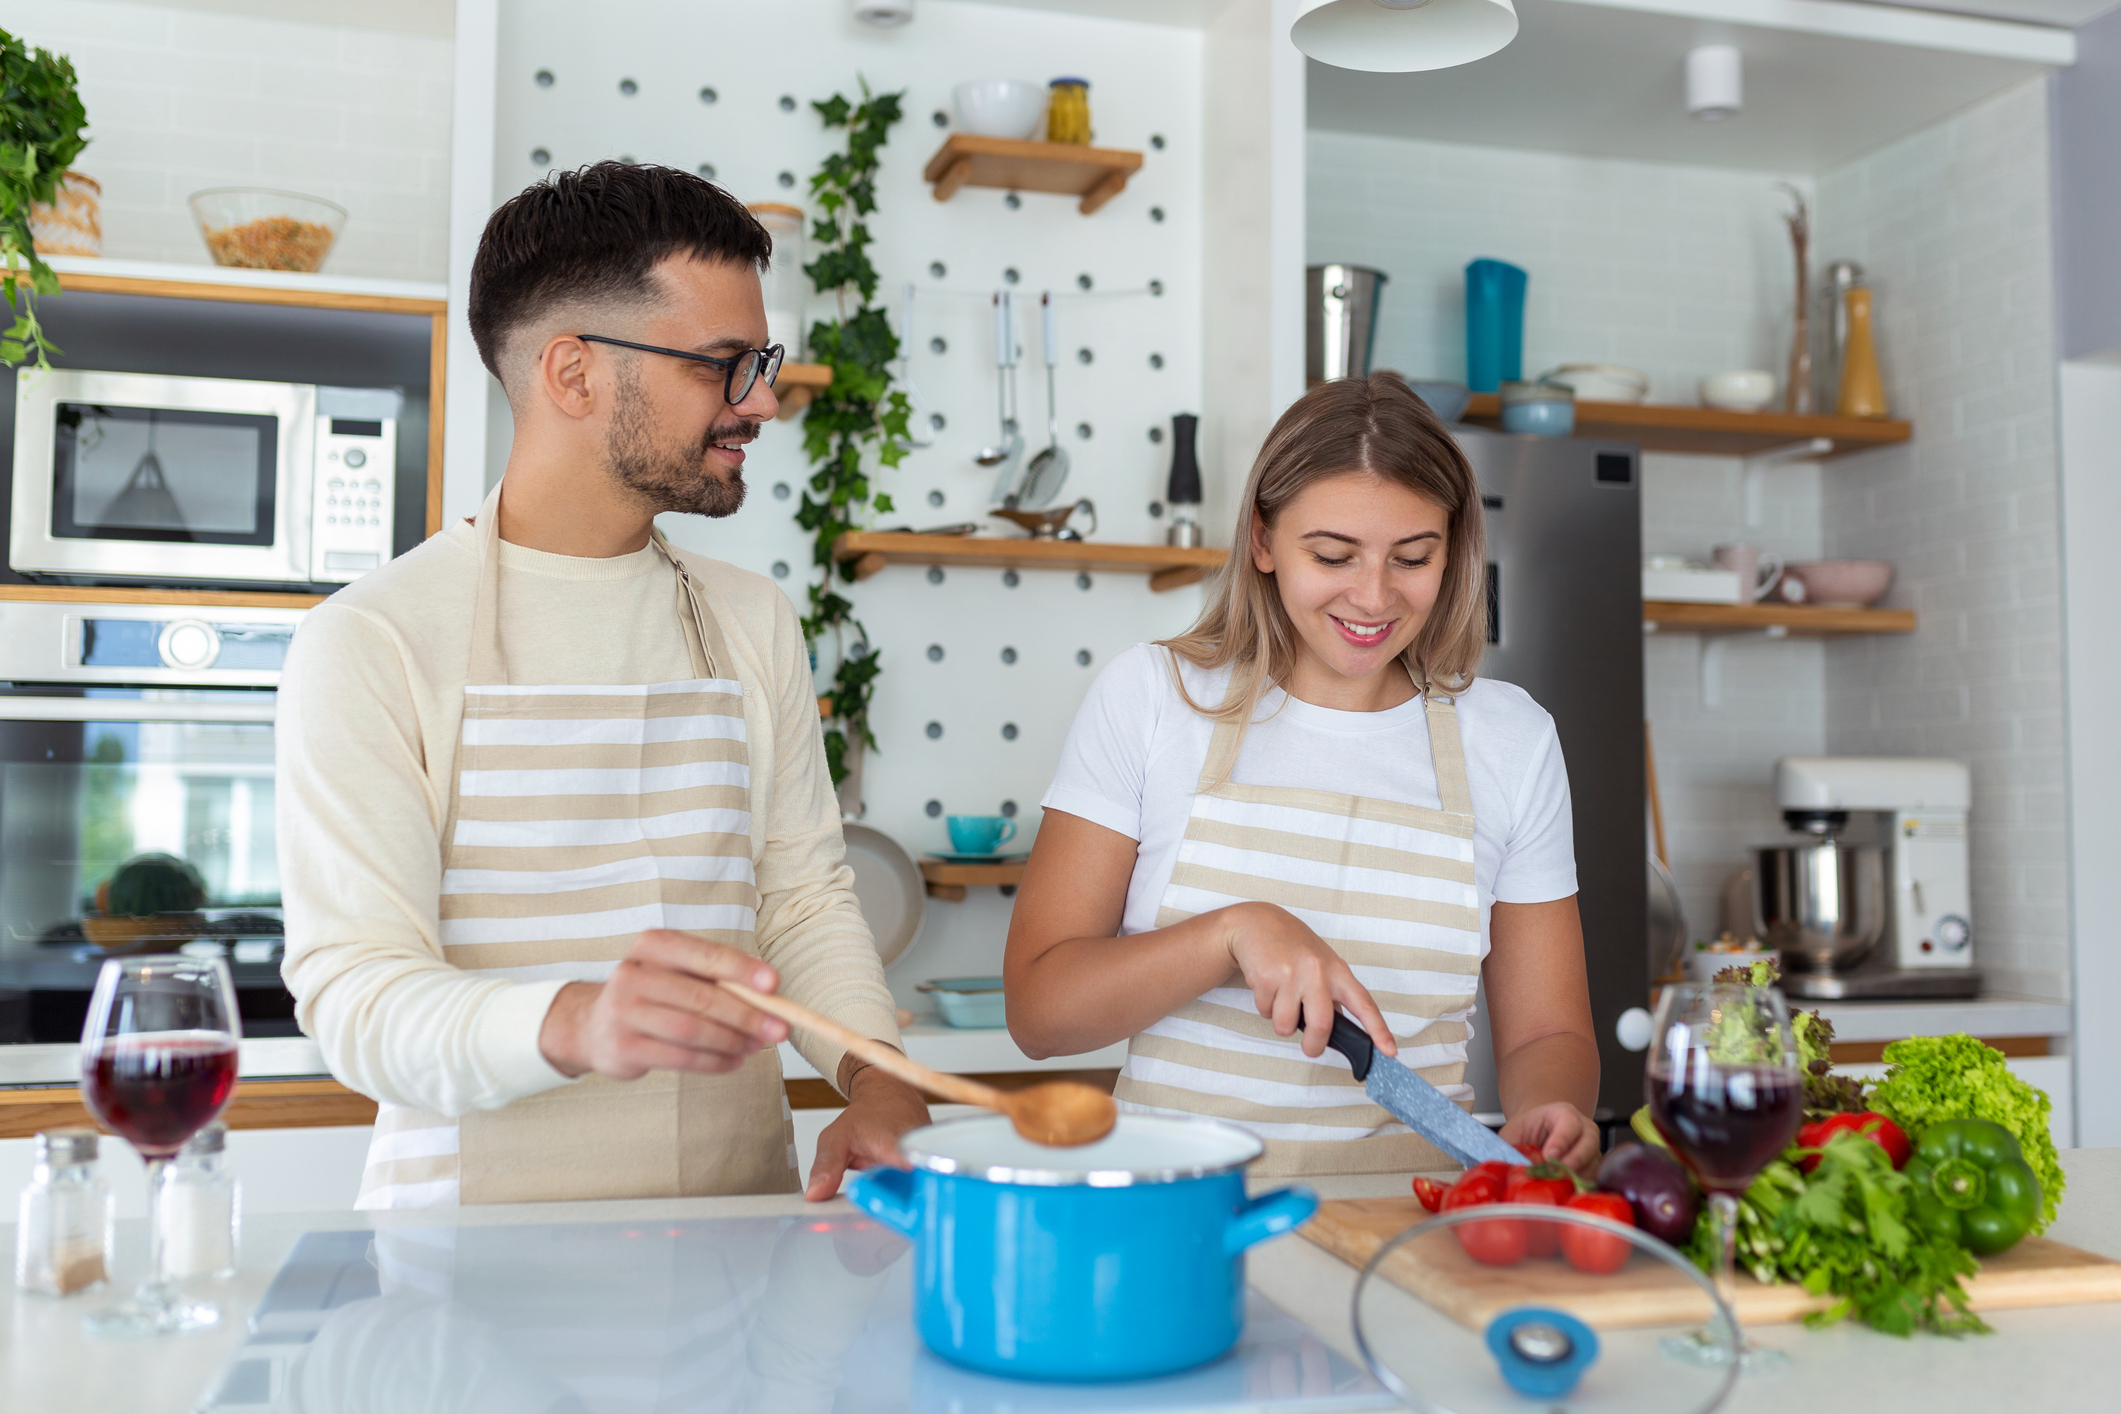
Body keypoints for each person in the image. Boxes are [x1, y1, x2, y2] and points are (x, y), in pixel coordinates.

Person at [277, 162, 927, 1208]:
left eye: (760, 360)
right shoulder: (375, 640)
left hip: (735, 1239)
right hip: (470, 1276)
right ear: (572, 374)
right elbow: (360, 997)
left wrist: (881, 1081)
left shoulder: (749, 620)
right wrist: (579, 1018)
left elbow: (803, 901)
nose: (761, 401)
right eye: (724, 364)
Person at [1005, 373, 1600, 1176]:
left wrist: (1551, 1111)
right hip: (1182, 1219)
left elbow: (1545, 1035)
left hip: (1412, 1227)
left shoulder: (1511, 739)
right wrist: (1230, 933)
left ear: (1453, 550)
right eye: (1332, 554)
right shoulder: (1153, 698)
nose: (1373, 595)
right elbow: (1040, 1013)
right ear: (1261, 540)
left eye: (1412, 557)